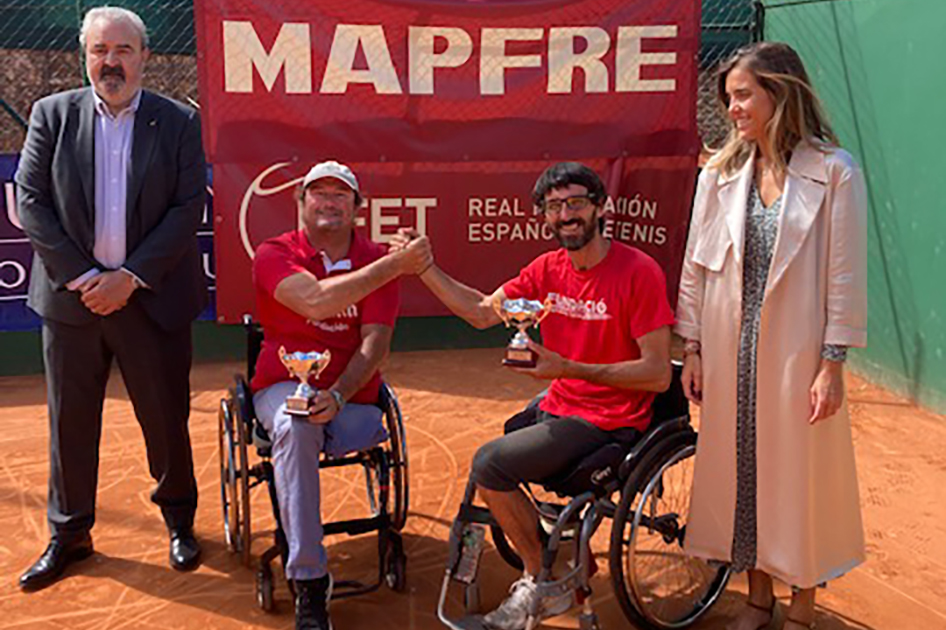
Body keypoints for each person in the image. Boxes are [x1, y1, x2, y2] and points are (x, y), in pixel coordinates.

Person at [392, 162, 674, 630]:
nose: (566, 215)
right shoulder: (547, 269)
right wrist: (425, 269)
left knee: (490, 464)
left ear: (602, 207)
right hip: (562, 403)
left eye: (577, 203)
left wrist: (568, 367)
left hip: (610, 418)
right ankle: (567, 560)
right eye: (554, 206)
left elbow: (659, 373)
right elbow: (483, 313)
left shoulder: (638, 272)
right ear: (543, 216)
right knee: (512, 437)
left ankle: (543, 579)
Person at [675, 42, 867, 630]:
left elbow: (843, 272)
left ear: (778, 94)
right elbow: (696, 266)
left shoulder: (836, 171)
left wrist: (830, 363)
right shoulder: (720, 173)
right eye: (728, 97)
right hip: (729, 348)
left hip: (798, 354)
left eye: (742, 95)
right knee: (741, 475)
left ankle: (801, 609)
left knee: (798, 479)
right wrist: (693, 348)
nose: (731, 108)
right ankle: (758, 600)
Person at [16, 6, 208, 590]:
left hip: (150, 301)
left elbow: (186, 207)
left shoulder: (176, 122)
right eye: (100, 51)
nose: (111, 62)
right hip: (72, 304)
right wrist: (84, 277)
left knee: (165, 419)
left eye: (123, 50)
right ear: (86, 56)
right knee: (70, 424)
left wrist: (129, 277)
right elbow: (30, 200)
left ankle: (179, 520)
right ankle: (69, 532)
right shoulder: (51, 114)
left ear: (145, 57)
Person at [250, 160, 431, 630]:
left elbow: (375, 343)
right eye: (319, 193)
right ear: (300, 202)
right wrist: (394, 265)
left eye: (340, 195)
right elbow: (314, 301)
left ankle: (298, 513)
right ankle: (310, 581)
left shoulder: (373, 257)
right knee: (296, 424)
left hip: (355, 401)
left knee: (307, 428)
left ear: (356, 207)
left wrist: (340, 393)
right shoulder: (274, 253)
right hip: (283, 388)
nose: (328, 202)